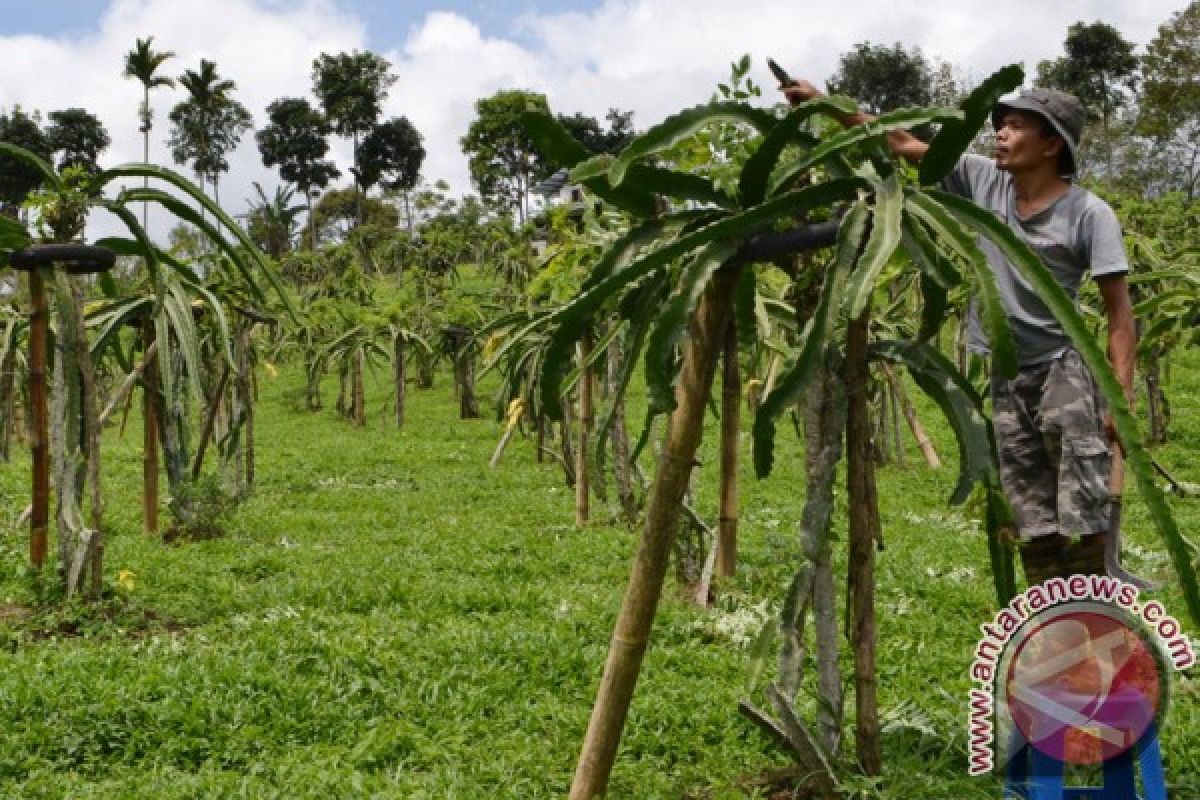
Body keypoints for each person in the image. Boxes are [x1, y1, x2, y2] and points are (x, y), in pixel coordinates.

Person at [780, 79, 1137, 586]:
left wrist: (1120, 399)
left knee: (1086, 511)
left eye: (1016, 126)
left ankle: (1100, 636)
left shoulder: (1089, 214)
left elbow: (1119, 314)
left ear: (1052, 142)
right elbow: (900, 142)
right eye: (1001, 125)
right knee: (1033, 518)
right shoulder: (981, 178)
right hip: (1008, 373)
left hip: (1067, 369)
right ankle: (1050, 640)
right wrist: (824, 103)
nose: (1001, 135)